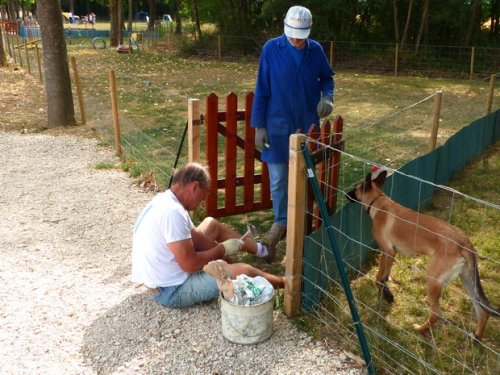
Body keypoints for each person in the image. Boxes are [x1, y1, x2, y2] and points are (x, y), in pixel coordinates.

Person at [131, 162, 285, 308]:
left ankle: (262, 251)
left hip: (162, 276)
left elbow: (198, 238)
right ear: (195, 187)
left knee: (211, 224)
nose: (203, 201)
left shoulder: (167, 200)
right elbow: (189, 265)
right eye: (203, 195)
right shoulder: (173, 213)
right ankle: (289, 284)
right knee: (245, 271)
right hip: (170, 289)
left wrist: (227, 261)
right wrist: (222, 250)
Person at [251, 5, 335, 261]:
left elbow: (327, 78)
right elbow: (262, 88)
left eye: (301, 35)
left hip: (306, 125)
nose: (296, 40)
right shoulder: (271, 49)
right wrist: (259, 126)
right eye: (292, 35)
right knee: (277, 179)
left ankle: (303, 221)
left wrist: (328, 97)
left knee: (305, 176)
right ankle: (281, 223)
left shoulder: (316, 50)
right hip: (276, 126)